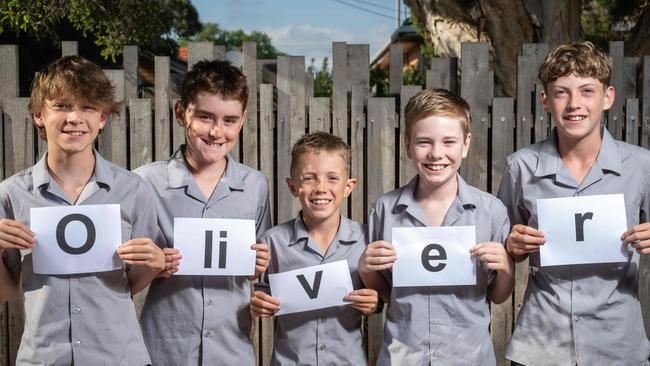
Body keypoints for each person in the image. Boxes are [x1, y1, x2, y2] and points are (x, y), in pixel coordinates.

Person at [0, 55, 164, 365]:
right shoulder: (11, 194)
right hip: (44, 357)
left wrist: (153, 265)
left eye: (87, 107)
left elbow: (129, 283)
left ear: (102, 118)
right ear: (38, 115)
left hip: (119, 357)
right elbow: (5, 292)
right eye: (61, 105)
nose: (75, 118)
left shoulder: (134, 190)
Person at [498, 41, 650, 365]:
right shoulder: (520, 167)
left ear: (607, 97)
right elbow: (500, 252)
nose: (574, 104)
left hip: (618, 347)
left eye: (587, 91)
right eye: (561, 92)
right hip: (539, 346)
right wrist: (511, 245)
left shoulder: (642, 166)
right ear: (545, 100)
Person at [358, 89, 514, 365]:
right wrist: (366, 269)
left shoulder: (491, 212)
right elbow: (387, 292)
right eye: (424, 142)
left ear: (466, 145)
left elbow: (498, 295)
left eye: (449, 141)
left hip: (470, 358)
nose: (436, 153)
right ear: (407, 145)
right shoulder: (384, 210)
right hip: (402, 356)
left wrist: (505, 267)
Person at [136, 59, 271, 366]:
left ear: (243, 120)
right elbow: (123, 274)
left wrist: (258, 267)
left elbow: (259, 275)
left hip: (232, 349)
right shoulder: (144, 183)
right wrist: (154, 264)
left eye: (229, 120)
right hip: (162, 350)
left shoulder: (255, 186)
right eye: (206, 117)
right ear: (181, 113)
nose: (216, 132)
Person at [249, 132, 378, 365]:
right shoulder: (273, 242)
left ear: (348, 187)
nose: (320, 188)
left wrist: (374, 303)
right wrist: (260, 302)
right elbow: (262, 292)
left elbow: (377, 295)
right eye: (309, 178)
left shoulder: (366, 241)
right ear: (293, 186)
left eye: (332, 178)